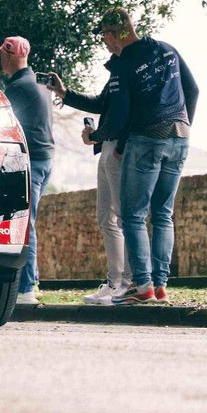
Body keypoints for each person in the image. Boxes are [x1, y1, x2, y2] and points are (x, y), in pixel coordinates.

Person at [86, 7, 198, 305]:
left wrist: (96, 137)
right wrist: (184, 125)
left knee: (132, 215)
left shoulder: (123, 64)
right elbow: (193, 90)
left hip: (147, 139)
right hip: (180, 136)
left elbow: (120, 113)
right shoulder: (167, 50)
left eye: (104, 38)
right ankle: (160, 286)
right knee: (163, 214)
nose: (106, 44)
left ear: (112, 35)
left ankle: (143, 285)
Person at [47, 51, 130, 305]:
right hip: (106, 147)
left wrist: (107, 141)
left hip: (118, 149)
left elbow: (127, 113)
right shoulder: (116, 72)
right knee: (106, 218)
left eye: (105, 34)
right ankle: (115, 282)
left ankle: (127, 284)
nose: (103, 40)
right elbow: (101, 104)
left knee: (124, 218)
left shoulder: (129, 68)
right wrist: (64, 93)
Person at [0, 37, 55, 305]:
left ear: (8, 56)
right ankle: (32, 282)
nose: (0, 59)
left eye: (2, 54)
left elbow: (1, 123)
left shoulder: (18, 88)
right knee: (27, 220)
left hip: (28, 160)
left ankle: (26, 289)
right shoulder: (38, 86)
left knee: (23, 222)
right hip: (45, 160)